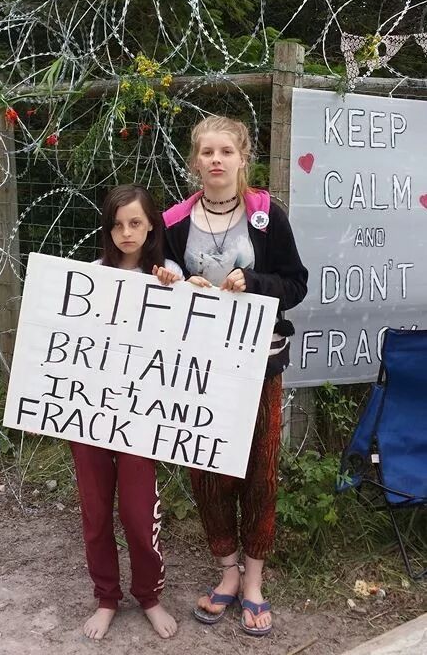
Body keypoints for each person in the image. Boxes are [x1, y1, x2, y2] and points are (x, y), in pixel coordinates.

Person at [162, 115, 308, 637]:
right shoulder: (174, 221)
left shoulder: (267, 216)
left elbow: (296, 284)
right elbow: (161, 281)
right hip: (200, 367)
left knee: (260, 470)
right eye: (207, 152)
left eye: (227, 151)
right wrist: (181, 281)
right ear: (195, 160)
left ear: (244, 158)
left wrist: (255, 282)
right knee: (207, 472)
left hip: (261, 364)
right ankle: (225, 571)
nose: (216, 160)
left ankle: (253, 581)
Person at [70, 184, 183, 640]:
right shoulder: (90, 275)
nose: (126, 232)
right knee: (96, 512)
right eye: (117, 224)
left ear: (152, 224)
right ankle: (106, 597)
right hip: (92, 411)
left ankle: (149, 595)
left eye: (135, 222)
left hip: (141, 417)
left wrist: (177, 292)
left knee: (138, 514)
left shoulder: (169, 275)